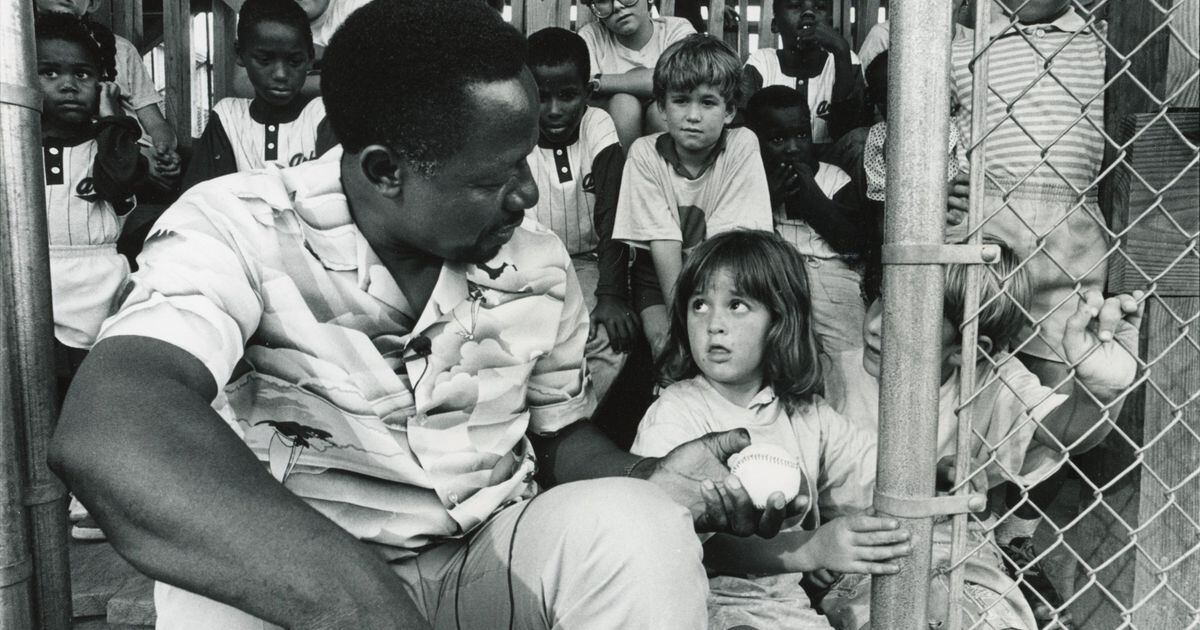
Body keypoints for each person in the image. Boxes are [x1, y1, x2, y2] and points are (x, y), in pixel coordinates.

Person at [49, 2, 807, 628]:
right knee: (209, 592)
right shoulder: (239, 226)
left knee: (640, 528)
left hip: (485, 560)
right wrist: (361, 606)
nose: (529, 195)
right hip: (310, 576)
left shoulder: (539, 262)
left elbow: (560, 437)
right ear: (385, 170)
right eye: (496, 175)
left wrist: (651, 477)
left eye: (528, 162)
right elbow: (111, 429)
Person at [827, 245, 1142, 630]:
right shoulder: (830, 376)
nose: (875, 324)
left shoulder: (990, 380)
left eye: (908, 316)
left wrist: (1101, 394)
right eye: (882, 298)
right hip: (864, 564)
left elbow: (1065, 432)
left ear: (968, 349)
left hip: (965, 561)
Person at [630, 230, 908, 629]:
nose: (714, 325)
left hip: (787, 608)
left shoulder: (804, 414)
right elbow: (672, 545)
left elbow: (872, 473)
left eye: (737, 305)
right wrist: (810, 549)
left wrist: (933, 471)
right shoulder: (675, 413)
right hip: (697, 604)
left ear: (779, 319)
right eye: (699, 305)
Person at [949, 1, 1112, 618]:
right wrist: (949, 180)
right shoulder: (969, 46)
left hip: (1075, 232)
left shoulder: (1099, 46)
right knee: (977, 380)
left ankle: (1026, 540)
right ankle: (975, 531)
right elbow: (928, 135)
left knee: (1052, 393)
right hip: (990, 232)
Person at [36, 11, 148, 541]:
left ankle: (91, 495)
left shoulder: (113, 142)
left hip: (96, 277)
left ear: (103, 82)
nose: (67, 85)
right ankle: (37, 493)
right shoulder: (14, 143)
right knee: (35, 392)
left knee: (91, 392)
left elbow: (120, 179)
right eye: (49, 72)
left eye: (82, 74)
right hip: (30, 276)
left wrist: (110, 120)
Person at [611, 34, 773, 356]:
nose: (693, 115)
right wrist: (683, 325)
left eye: (708, 102)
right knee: (668, 350)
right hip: (659, 282)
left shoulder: (741, 145)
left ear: (729, 111)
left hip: (726, 276)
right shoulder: (645, 154)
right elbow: (663, 244)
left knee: (728, 349)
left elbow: (728, 244)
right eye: (681, 101)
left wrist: (707, 318)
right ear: (662, 108)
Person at [745, 85, 872, 416]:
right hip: (775, 275)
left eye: (801, 135)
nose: (792, 148)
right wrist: (768, 197)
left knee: (848, 362)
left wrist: (810, 194)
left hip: (830, 275)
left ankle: (853, 424)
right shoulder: (751, 180)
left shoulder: (833, 178)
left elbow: (850, 240)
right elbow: (742, 233)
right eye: (776, 140)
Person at [525, 27, 636, 404]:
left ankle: (570, 424)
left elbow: (612, 216)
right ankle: (533, 417)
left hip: (590, 264)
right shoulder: (517, 134)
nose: (554, 110)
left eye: (567, 96)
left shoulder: (597, 127)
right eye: (541, 97)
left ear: (588, 93)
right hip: (530, 264)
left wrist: (612, 294)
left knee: (610, 335)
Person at [182, 0, 334, 191]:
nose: (280, 74)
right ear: (240, 54)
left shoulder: (322, 115)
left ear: (310, 57)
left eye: (294, 61)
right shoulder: (228, 117)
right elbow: (202, 196)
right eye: (265, 60)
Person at [35, 0, 180, 191]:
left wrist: (163, 153)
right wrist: (137, 157)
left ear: (93, 3)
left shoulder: (121, 49)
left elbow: (155, 123)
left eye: (81, 74)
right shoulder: (18, 46)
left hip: (138, 155)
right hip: (96, 156)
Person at [741, 0, 865, 171]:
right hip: (772, 167)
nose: (809, 13)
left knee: (861, 140)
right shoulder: (761, 63)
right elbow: (743, 129)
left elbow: (847, 132)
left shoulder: (846, 61)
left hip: (832, 167)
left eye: (819, 7)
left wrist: (841, 51)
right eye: (795, 6)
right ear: (775, 25)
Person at [577, 0, 695, 150]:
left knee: (660, 112)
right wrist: (642, 84)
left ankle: (666, 172)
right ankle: (626, 172)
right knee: (624, 104)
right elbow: (584, 92)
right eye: (603, 0)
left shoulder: (676, 29)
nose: (618, 6)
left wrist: (599, 81)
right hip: (613, 135)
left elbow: (682, 79)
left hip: (669, 129)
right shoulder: (591, 37)